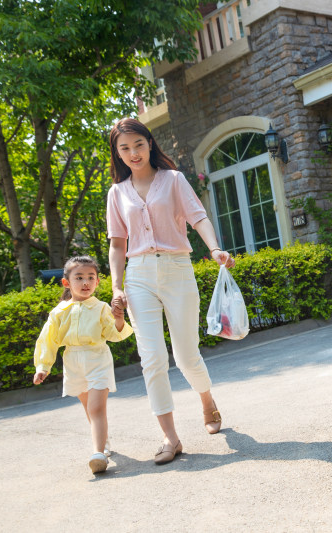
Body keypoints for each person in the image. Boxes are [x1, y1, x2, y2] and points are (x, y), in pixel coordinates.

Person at [106, 117, 235, 465]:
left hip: (177, 268)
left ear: (150, 144)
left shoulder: (173, 180)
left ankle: (207, 402)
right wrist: (116, 287)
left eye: (138, 145)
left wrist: (214, 248)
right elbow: (118, 246)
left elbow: (198, 217)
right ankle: (170, 436)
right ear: (117, 154)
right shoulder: (117, 194)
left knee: (186, 355)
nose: (133, 153)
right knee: (152, 359)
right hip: (138, 275)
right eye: (125, 148)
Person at [33, 255, 133, 474]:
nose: (86, 282)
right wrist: (43, 366)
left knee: (97, 407)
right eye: (79, 277)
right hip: (73, 363)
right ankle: (104, 443)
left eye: (91, 277)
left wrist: (118, 319)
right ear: (67, 282)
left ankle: (97, 454)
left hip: (98, 358)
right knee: (90, 409)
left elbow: (114, 334)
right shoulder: (59, 312)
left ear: (97, 281)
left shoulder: (101, 307)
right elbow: (47, 340)